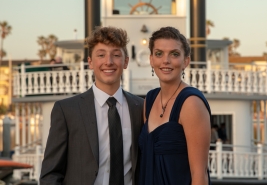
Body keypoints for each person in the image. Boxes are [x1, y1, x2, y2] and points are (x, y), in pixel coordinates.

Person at [40, 26, 144, 185]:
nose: (108, 62)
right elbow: (51, 173)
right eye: (101, 55)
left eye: (116, 55)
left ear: (125, 61)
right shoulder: (67, 110)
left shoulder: (140, 107)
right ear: (90, 62)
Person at [139, 27, 211, 185]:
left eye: (174, 54)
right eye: (159, 54)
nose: (166, 60)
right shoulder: (149, 100)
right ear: (151, 60)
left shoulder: (191, 103)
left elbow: (199, 175)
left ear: (186, 61)